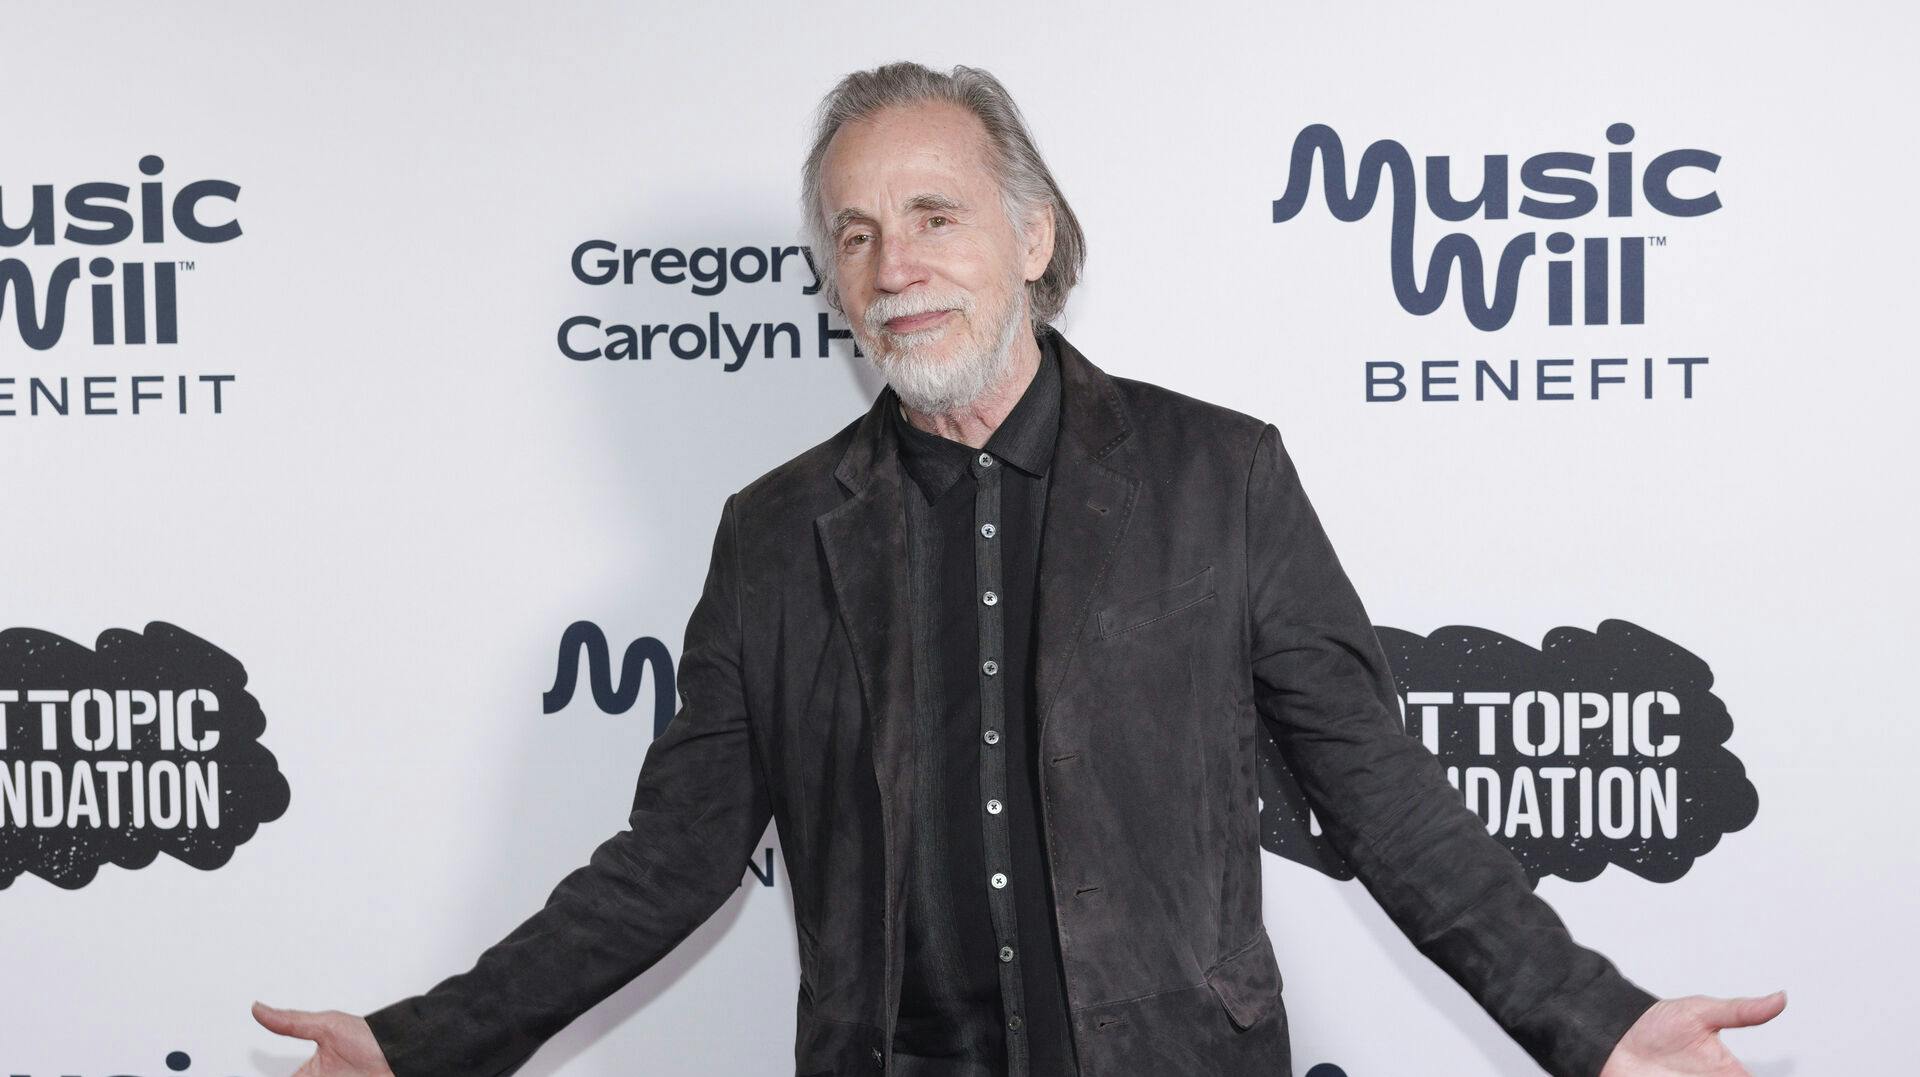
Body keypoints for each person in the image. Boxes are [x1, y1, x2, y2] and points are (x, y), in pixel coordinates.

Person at [254, 61, 1785, 1077]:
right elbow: (672, 859)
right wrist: (422, 1046)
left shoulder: (1221, 477)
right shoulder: (775, 535)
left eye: (935, 215)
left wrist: (1596, 1024)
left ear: (1035, 234)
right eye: (855, 234)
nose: (894, 265)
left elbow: (1383, 797)